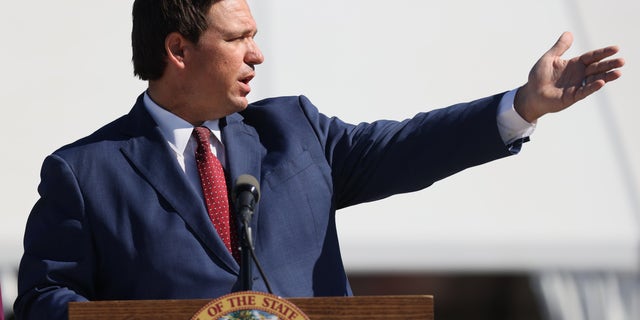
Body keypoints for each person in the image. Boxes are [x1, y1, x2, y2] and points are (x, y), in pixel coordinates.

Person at [14, 0, 624, 319]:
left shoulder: (293, 131)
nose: (258, 54)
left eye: (254, 35)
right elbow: (44, 300)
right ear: (177, 49)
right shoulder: (85, 172)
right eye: (236, 39)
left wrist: (521, 106)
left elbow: (407, 145)